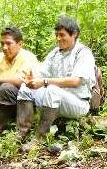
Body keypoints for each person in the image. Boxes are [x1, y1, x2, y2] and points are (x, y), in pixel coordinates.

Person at [16, 17, 96, 152]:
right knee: (25, 88)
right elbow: (41, 73)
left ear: (74, 34)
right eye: (56, 35)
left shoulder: (83, 53)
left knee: (52, 89)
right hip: (53, 100)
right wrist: (30, 78)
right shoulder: (55, 53)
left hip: (78, 103)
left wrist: (45, 82)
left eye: (62, 35)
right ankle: (21, 133)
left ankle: (39, 139)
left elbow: (76, 81)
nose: (58, 38)